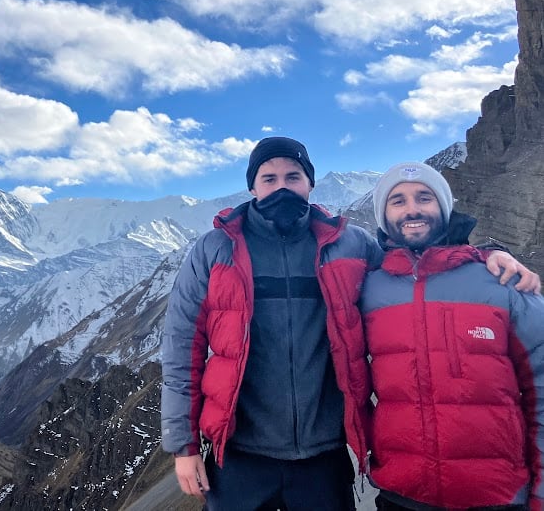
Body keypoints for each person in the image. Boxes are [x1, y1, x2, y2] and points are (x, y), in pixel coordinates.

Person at [160, 137, 539, 511]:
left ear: (310, 182)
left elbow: (416, 266)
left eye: (293, 177)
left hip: (324, 456)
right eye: (269, 178)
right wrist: (184, 445)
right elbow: (181, 346)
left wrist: (488, 257)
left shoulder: (351, 245)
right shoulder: (214, 249)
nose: (282, 187)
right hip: (238, 454)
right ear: (252, 186)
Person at [361, 161, 544, 511]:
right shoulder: (369, 288)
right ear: (384, 216)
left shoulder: (503, 283)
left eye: (424, 197)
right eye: (397, 201)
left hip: (496, 497)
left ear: (444, 207)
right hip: (402, 496)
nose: (412, 209)